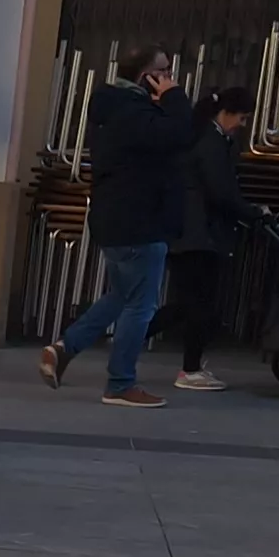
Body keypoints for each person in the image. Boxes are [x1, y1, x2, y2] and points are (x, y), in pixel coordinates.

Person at [39, 47, 206, 408]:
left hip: (118, 220)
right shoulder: (134, 112)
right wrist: (175, 97)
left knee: (121, 295)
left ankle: (65, 348)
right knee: (141, 306)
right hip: (139, 221)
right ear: (146, 77)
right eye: (164, 71)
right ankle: (120, 383)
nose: (170, 78)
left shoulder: (116, 107)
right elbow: (179, 135)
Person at [163, 84, 256, 393]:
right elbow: (221, 191)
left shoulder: (202, 138)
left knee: (188, 304)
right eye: (241, 118)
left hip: (190, 234)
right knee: (197, 305)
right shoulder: (211, 143)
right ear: (225, 113)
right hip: (200, 235)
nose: (242, 125)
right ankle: (189, 368)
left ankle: (131, 340)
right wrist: (250, 212)